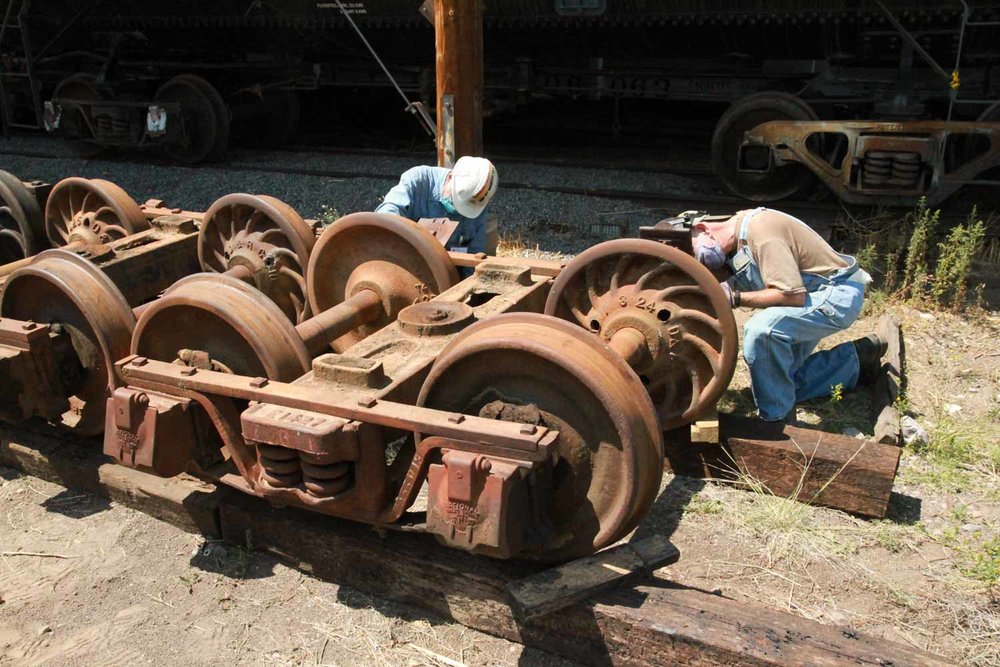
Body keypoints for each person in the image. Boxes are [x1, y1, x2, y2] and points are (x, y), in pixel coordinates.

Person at [690, 207, 886, 423]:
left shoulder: (761, 231)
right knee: (774, 381)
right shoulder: (741, 236)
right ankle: (857, 361)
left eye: (695, 250)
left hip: (833, 294)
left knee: (762, 332)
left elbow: (792, 296)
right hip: (813, 292)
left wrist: (735, 297)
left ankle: (777, 421)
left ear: (703, 229)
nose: (701, 261)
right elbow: (758, 276)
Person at [375, 156, 499, 255]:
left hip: (446, 271)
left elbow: (473, 254)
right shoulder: (418, 181)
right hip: (403, 257)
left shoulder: (476, 204)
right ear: (450, 177)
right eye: (455, 201)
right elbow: (386, 217)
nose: (456, 210)